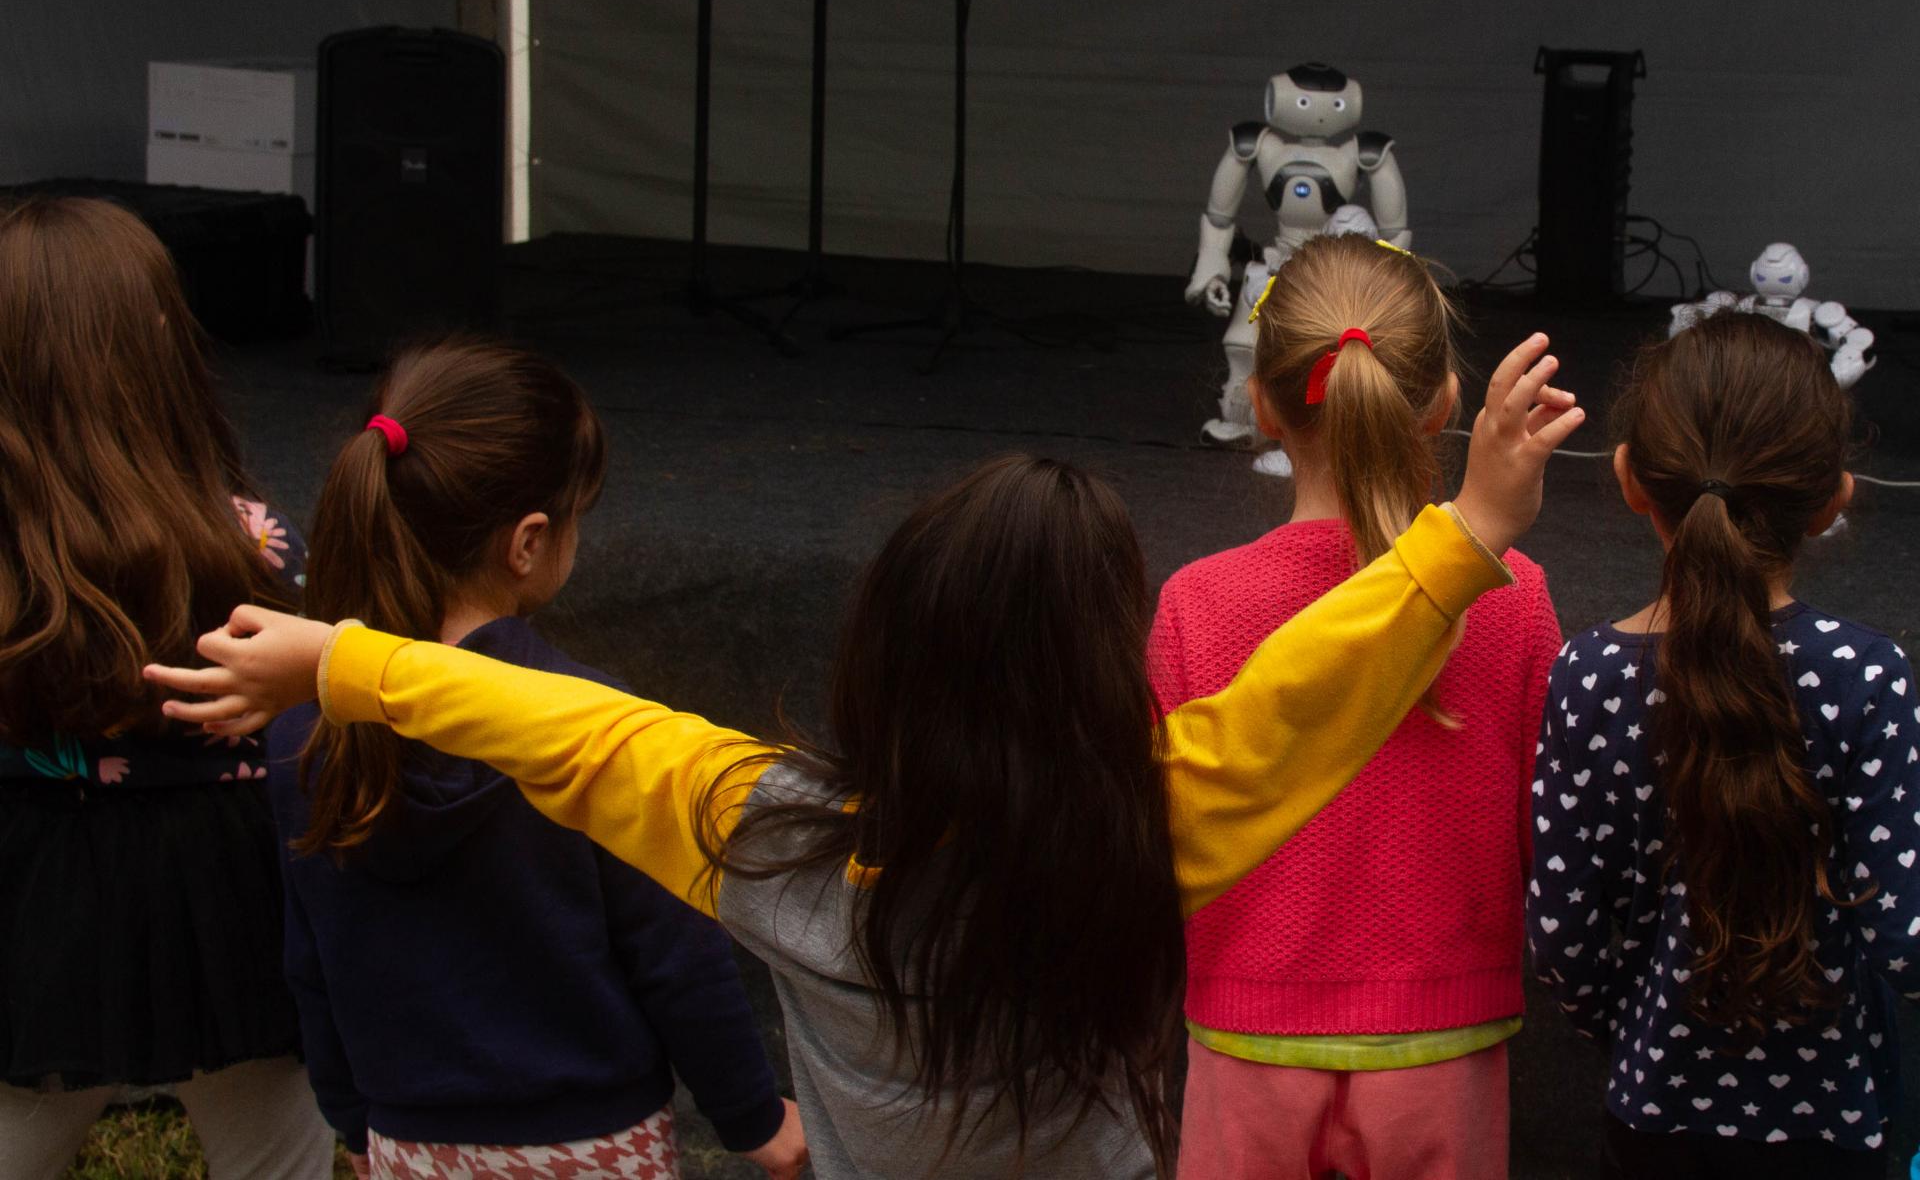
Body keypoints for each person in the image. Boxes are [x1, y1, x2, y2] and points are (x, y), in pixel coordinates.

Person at [147, 334, 1582, 1179]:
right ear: (1106, 665)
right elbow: (1310, 698)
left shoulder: (780, 838)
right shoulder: (1157, 826)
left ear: (880, 648)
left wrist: (341, 662)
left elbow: (577, 736)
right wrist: (1463, 539)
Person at [265, 338, 805, 1180]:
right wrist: (752, 1114)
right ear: (528, 542)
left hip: (410, 1143)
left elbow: (312, 961)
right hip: (596, 1142)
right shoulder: (582, 721)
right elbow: (673, 950)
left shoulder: (305, 725)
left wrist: (353, 1120)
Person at [1150, 235, 1561, 1180]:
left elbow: (1165, 829)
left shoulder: (1196, 603)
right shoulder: (1513, 592)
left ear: (1259, 406)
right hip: (1445, 1039)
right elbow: (1543, 830)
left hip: (1245, 1039)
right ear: (1445, 402)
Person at [1527, 311, 1920, 1178]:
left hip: (1653, 1110)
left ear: (1631, 479)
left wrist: (1632, 1022)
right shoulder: (1867, 673)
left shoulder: (1589, 673)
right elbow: (1905, 934)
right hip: (1837, 1121)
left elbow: (1561, 937)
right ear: (1833, 499)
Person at [0, 196, 333, 1179]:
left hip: (30, 890)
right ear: (159, 348)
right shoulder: (252, 538)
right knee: (276, 1154)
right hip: (226, 894)